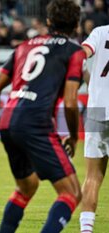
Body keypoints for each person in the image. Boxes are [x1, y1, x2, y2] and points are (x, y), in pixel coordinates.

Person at [0, 0, 85, 232]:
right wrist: (74, 137)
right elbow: (69, 101)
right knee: (72, 193)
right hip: (36, 123)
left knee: (26, 187)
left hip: (8, 123)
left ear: (48, 21)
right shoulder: (74, 51)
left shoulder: (23, 47)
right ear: (76, 24)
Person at [79, 24, 109, 233]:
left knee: (93, 176)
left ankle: (86, 229)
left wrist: (89, 79)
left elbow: (81, 56)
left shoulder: (100, 32)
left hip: (98, 109)